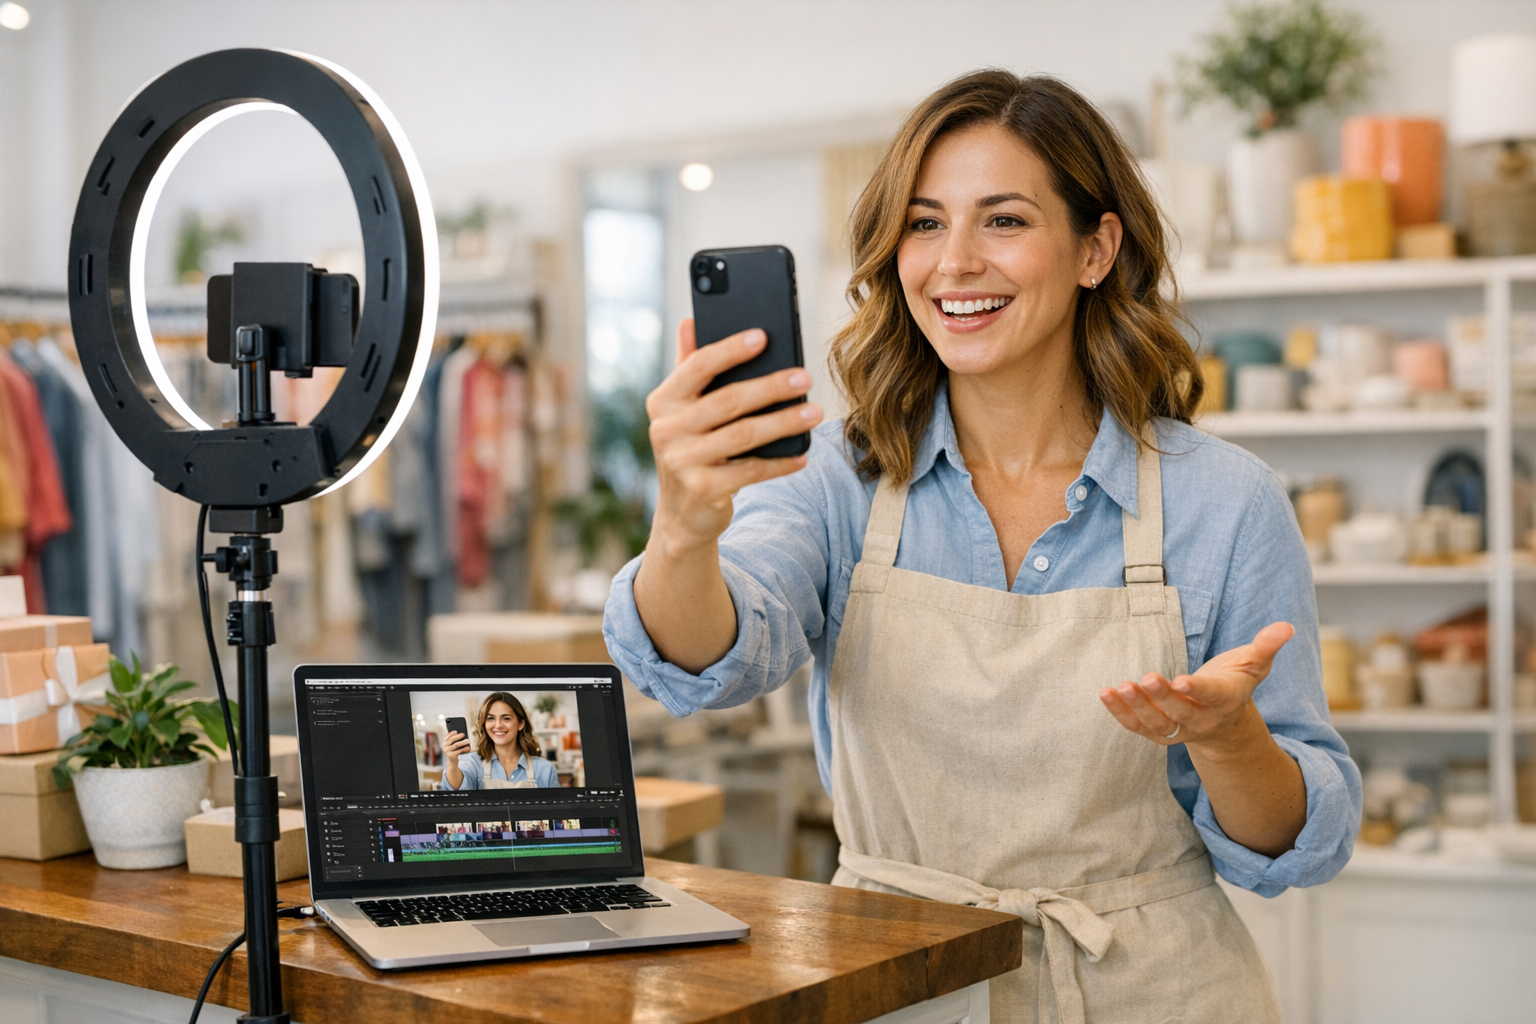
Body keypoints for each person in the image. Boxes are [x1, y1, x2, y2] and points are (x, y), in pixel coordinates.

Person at [604, 70, 1362, 1023]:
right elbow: (711, 661)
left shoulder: (1226, 500)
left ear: (1096, 249)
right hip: (897, 982)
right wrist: (684, 523)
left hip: (1158, 990)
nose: (954, 261)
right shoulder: (839, 480)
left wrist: (1227, 736)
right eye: (924, 224)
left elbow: (1298, 841)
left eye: (1002, 221)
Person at [443, 691, 558, 790]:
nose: (497, 725)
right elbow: (457, 789)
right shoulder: (473, 763)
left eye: (506, 718)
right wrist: (452, 763)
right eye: (490, 718)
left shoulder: (545, 769)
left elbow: (556, 813)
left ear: (521, 724)